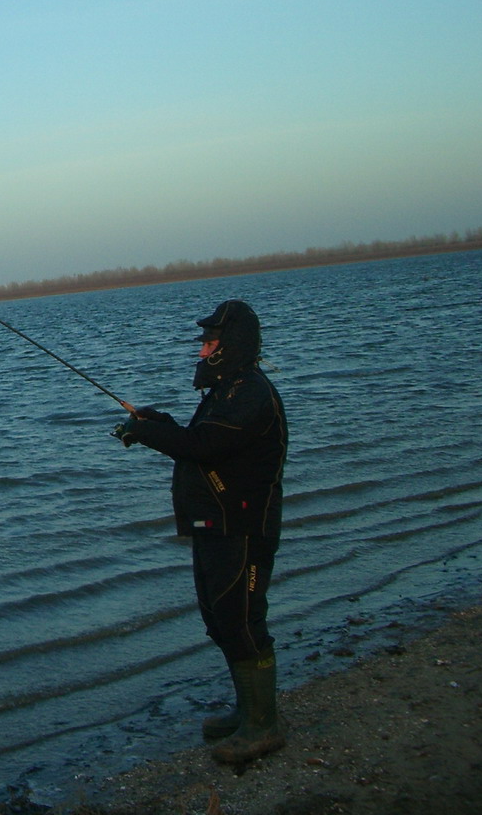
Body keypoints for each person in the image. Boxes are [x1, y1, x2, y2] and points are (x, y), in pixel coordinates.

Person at [111, 299, 288, 764]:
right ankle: (248, 712)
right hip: (215, 523)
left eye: (209, 342)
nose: (202, 350)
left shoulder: (251, 392)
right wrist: (156, 423)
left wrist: (148, 433)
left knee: (243, 620)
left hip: (243, 527)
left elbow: (205, 445)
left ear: (231, 345)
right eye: (204, 342)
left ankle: (264, 725)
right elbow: (200, 440)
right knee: (221, 618)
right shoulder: (227, 390)